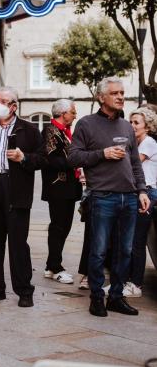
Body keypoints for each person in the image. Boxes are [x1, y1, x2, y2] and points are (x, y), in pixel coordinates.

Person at [69, 76, 150, 317]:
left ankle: (116, 297)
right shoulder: (86, 124)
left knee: (125, 251)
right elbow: (73, 158)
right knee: (99, 251)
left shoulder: (126, 126)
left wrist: (142, 190)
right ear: (101, 97)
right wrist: (102, 154)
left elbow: (135, 163)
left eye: (122, 93)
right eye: (115, 93)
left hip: (129, 198)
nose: (120, 97)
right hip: (102, 197)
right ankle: (96, 298)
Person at [0, 86, 45, 308]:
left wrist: (24, 158)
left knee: (18, 243)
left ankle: (24, 290)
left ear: (14, 106)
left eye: (3, 101)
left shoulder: (29, 130)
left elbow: (42, 160)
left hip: (16, 189)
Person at [41, 99, 82, 284]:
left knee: (64, 226)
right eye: (73, 112)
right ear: (63, 113)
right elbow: (51, 159)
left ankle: (52, 264)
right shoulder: (50, 130)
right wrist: (77, 161)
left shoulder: (65, 132)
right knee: (58, 226)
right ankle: (55, 267)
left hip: (69, 187)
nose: (75, 115)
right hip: (57, 187)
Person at [125, 107, 157, 297]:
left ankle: (136, 284)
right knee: (130, 240)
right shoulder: (136, 143)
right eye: (130, 122)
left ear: (147, 126)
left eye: (136, 122)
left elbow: (131, 164)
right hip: (138, 193)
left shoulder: (149, 143)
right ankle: (128, 281)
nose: (132, 125)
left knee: (137, 240)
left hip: (148, 194)